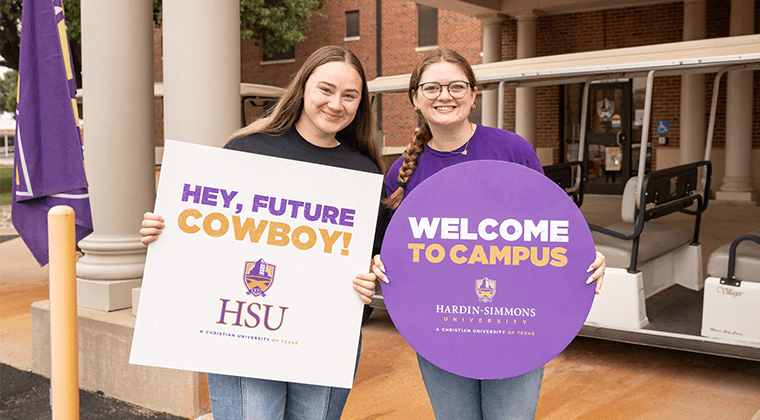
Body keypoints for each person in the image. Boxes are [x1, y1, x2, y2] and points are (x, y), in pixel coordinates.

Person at [140, 45, 384, 420]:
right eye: (326, 89)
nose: (337, 103)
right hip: (245, 328)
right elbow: (206, 233)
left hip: (324, 334)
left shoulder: (364, 174)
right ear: (303, 88)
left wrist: (371, 277)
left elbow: (372, 256)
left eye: (349, 95)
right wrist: (165, 232)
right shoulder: (247, 150)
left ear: (359, 104)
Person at [370, 48, 606, 420]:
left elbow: (550, 228)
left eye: (456, 86)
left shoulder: (511, 150)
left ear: (474, 94)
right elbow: (391, 252)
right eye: (431, 88)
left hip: (516, 321)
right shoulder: (400, 173)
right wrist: (379, 264)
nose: (444, 96)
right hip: (441, 324)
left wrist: (585, 257)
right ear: (415, 98)